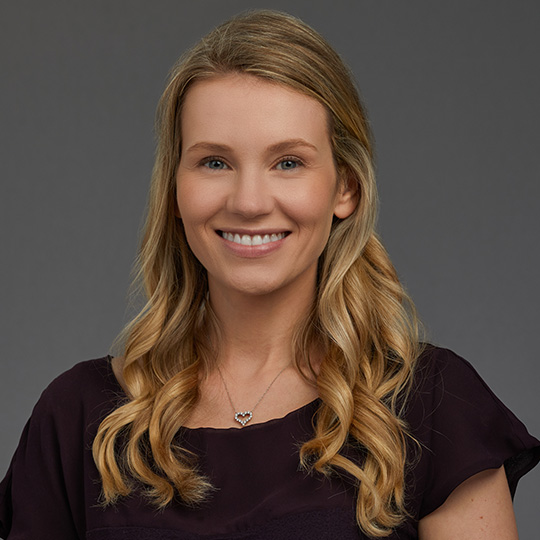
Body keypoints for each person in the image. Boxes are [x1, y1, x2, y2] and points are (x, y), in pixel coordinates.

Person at [1, 9, 538, 540]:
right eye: (215, 161)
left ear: (345, 188)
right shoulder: (77, 419)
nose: (250, 202)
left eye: (288, 162)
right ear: (174, 190)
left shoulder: (434, 406)